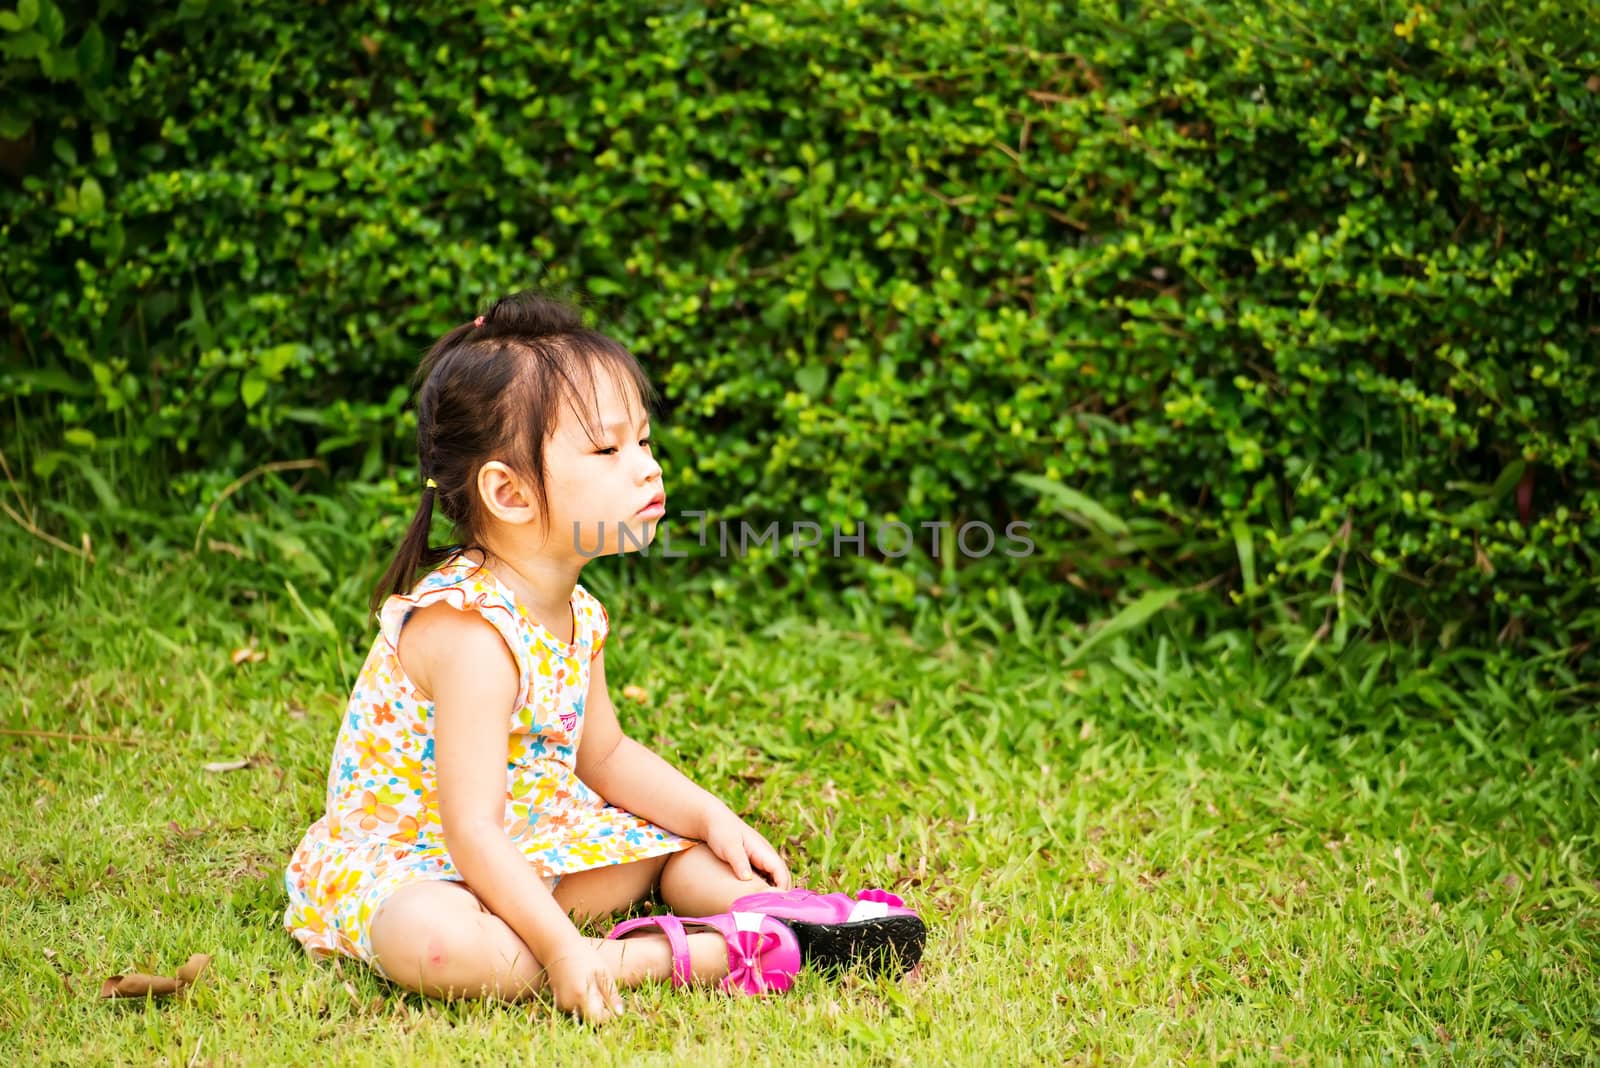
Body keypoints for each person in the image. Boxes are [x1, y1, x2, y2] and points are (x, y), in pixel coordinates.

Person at [283, 291, 924, 1024]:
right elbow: (471, 832)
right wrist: (561, 951)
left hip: (532, 841)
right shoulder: (470, 634)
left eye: (644, 443)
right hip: (425, 863)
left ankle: (792, 922)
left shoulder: (576, 610)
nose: (647, 468)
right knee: (439, 946)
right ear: (510, 492)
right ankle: (671, 954)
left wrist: (711, 816)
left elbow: (608, 757)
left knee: (678, 851)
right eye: (608, 449)